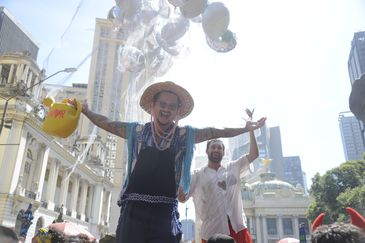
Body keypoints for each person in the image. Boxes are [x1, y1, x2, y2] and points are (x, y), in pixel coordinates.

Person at [76, 81, 266, 243]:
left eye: (172, 106)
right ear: (153, 106)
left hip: (164, 213)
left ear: (177, 112)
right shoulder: (138, 132)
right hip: (133, 212)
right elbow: (107, 123)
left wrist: (244, 128)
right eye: (162, 104)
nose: (166, 109)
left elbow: (216, 131)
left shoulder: (184, 136)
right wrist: (86, 111)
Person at [178, 109, 259, 243]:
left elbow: (254, 154)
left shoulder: (234, 167)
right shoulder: (197, 175)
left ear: (223, 152)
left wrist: (250, 129)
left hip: (238, 229)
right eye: (213, 147)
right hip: (211, 233)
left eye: (219, 148)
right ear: (207, 151)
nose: (216, 149)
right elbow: (182, 198)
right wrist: (178, 187)